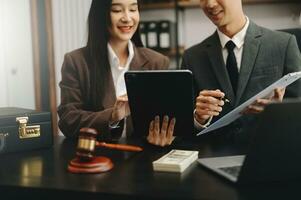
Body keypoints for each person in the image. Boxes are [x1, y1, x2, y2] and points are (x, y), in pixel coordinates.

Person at [180, 0, 301, 141]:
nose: (210, 4)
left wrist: (278, 111)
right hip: (211, 155)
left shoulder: (283, 44)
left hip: (270, 150)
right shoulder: (192, 57)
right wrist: (199, 119)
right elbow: (183, 127)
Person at [58, 0, 173, 143]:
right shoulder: (76, 61)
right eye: (117, 10)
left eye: (133, 9)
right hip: (97, 156)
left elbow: (166, 117)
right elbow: (68, 119)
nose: (127, 18)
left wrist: (163, 134)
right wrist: (112, 116)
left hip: (143, 157)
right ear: (101, 15)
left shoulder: (158, 62)